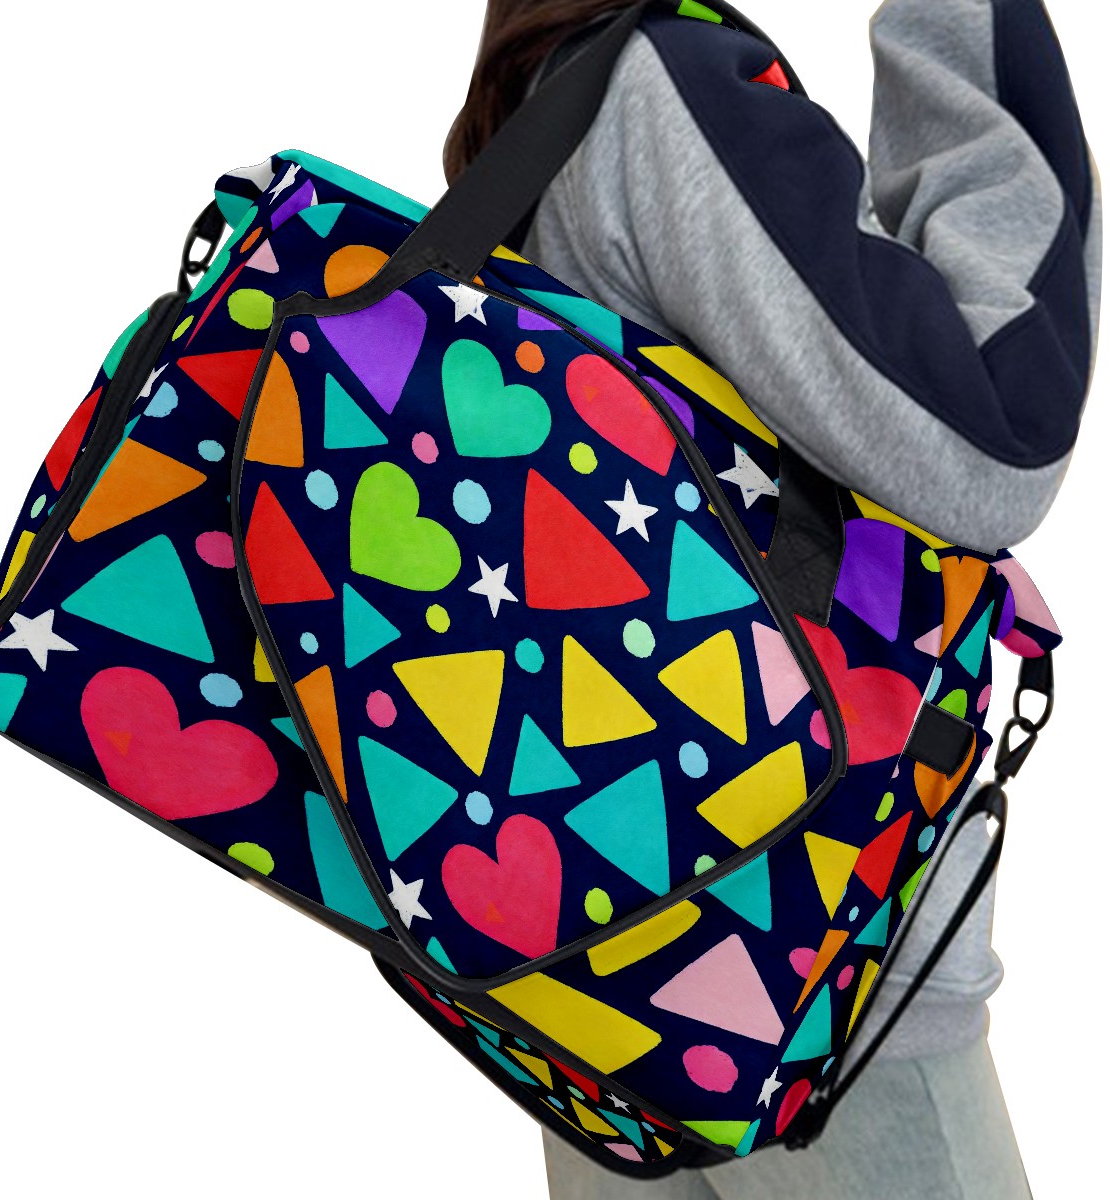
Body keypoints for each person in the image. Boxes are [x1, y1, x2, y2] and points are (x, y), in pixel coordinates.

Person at [443, 2, 1101, 1197]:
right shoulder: (668, 87)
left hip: (589, 977)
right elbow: (995, 433)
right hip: (815, 988)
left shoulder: (538, 120)